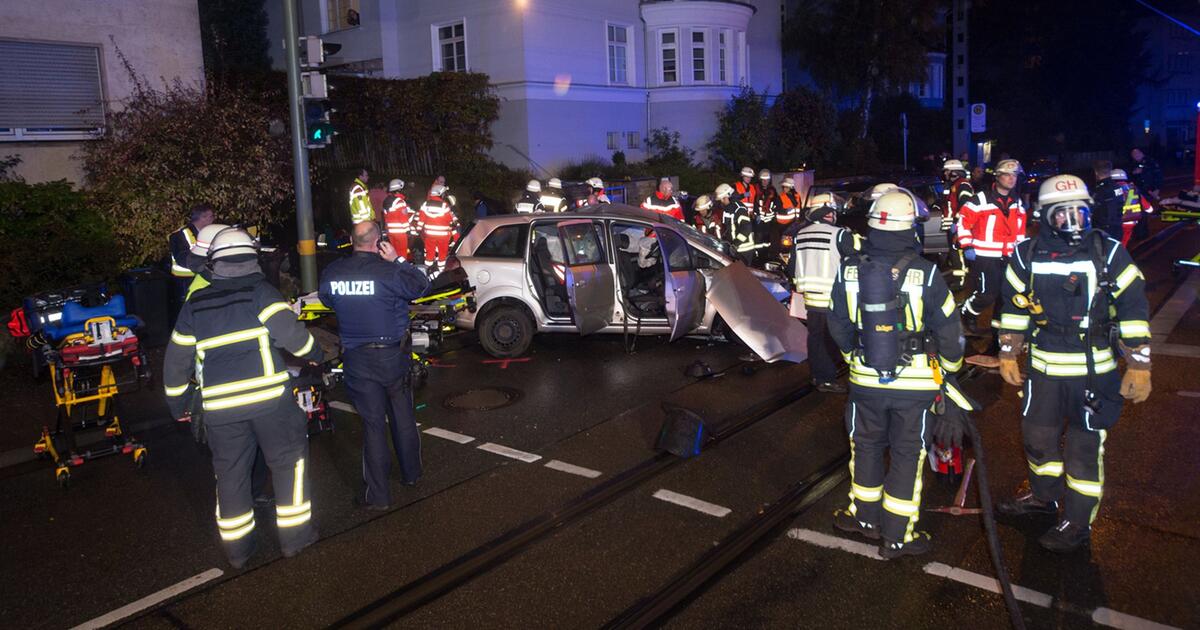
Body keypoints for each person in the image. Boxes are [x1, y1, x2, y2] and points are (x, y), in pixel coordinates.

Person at [995, 174, 1152, 552]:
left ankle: (1078, 523)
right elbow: (1013, 308)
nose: (1073, 222)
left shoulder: (1108, 251)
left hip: (1093, 374)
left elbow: (1133, 308)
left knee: (1083, 451)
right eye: (1062, 215)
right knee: (1037, 440)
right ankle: (1043, 497)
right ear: (1044, 216)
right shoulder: (1025, 254)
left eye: (1079, 213)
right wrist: (1007, 352)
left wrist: (1139, 364)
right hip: (1044, 373)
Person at [163, 228, 323, 568]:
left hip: (221, 410)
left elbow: (176, 361)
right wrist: (316, 353)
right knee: (288, 466)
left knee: (231, 476)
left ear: (214, 263)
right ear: (252, 258)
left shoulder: (196, 305)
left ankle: (238, 552)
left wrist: (179, 405)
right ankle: (295, 539)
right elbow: (296, 339)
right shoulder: (262, 293)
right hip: (271, 404)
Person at [827, 190, 970, 558]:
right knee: (908, 456)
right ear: (912, 228)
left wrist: (855, 358)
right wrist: (950, 373)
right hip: (917, 388)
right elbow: (951, 333)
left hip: (864, 383)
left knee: (866, 449)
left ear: (872, 223)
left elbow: (838, 324)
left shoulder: (849, 269)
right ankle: (897, 536)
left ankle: (863, 518)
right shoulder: (927, 273)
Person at [319, 222, 430, 510]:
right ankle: (411, 474)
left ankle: (378, 496)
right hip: (393, 356)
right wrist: (398, 258)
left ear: (352, 241)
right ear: (378, 241)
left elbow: (326, 298)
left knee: (372, 426)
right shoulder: (390, 271)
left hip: (357, 357)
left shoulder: (334, 272)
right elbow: (421, 286)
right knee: (402, 416)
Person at [786, 192, 858, 393]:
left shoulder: (800, 235)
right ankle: (828, 378)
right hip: (834, 298)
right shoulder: (840, 234)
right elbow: (855, 263)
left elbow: (792, 268)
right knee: (835, 338)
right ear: (827, 213)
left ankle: (819, 376)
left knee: (816, 337)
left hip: (810, 298)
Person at [958, 158, 1027, 366]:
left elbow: (1020, 231)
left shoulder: (1017, 203)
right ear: (997, 177)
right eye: (1007, 175)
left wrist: (1021, 253)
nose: (1012, 179)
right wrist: (967, 245)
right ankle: (965, 313)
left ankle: (997, 343)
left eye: (1014, 175)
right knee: (987, 295)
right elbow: (963, 221)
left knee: (1004, 301)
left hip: (1008, 257)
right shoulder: (980, 199)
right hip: (985, 256)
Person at [169, 204, 215, 309]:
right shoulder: (179, 235)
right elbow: (182, 258)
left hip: (204, 278)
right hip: (185, 281)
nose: (213, 219)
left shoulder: (209, 233)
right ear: (202, 218)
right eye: (211, 216)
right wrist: (204, 265)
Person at [938, 159, 974, 288]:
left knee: (957, 254)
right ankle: (959, 279)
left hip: (958, 226)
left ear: (955, 172)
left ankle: (960, 282)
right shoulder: (953, 185)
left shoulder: (962, 185)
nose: (945, 174)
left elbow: (965, 207)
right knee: (954, 255)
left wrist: (958, 226)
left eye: (947, 171)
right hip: (952, 225)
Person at [416, 184, 461, 269]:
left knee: (429, 254)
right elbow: (450, 220)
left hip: (429, 235)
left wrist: (418, 230)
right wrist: (454, 224)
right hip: (443, 236)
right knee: (442, 255)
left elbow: (421, 219)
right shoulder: (444, 205)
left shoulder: (425, 204)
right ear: (440, 193)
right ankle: (441, 272)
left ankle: (427, 270)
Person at [1111, 169, 1151, 247]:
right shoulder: (1133, 188)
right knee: (1124, 242)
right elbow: (1148, 208)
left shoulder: (1112, 190)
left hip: (1117, 221)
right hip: (1131, 221)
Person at [1129, 148, 1162, 241]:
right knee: (1137, 212)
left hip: (1148, 191)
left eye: (1136, 154)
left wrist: (1157, 189)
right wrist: (1133, 173)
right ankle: (1139, 233)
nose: (1135, 156)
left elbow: (1158, 175)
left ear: (1141, 153)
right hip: (1137, 191)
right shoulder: (1133, 164)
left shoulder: (1151, 162)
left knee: (1143, 213)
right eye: (1133, 155)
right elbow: (1130, 176)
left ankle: (1142, 234)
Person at [1090, 160, 1123, 241]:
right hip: (1118, 227)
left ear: (1096, 172)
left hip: (1103, 231)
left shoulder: (1098, 191)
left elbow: (1091, 210)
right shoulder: (1117, 187)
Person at [382, 179, 415, 262]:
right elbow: (403, 219)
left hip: (390, 232)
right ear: (398, 190)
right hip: (400, 233)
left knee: (394, 255)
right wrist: (408, 231)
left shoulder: (387, 200)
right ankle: (402, 272)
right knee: (402, 254)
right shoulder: (399, 202)